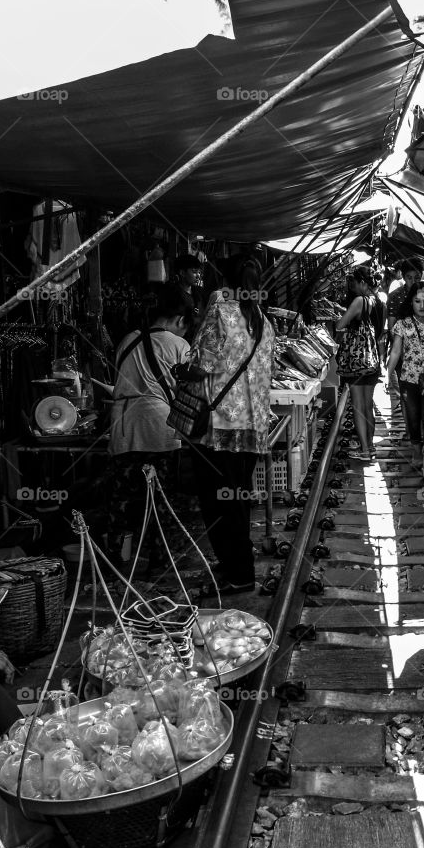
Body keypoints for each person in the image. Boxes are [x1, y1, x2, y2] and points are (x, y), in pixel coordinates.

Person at [187, 253, 274, 596]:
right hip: (252, 428)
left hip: (221, 426)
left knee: (219, 502)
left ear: (227, 283)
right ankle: (236, 567)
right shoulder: (265, 322)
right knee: (237, 499)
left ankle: (239, 573)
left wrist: (184, 370)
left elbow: (201, 362)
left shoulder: (222, 312)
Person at [107, 283, 193, 572]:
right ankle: (159, 563)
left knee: (122, 500)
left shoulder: (126, 340)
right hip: (160, 426)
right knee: (161, 500)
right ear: (180, 320)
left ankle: (118, 561)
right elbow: (188, 391)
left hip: (123, 425)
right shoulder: (179, 345)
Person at [386, 281, 424, 479]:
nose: (422, 306)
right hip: (408, 378)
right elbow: (395, 352)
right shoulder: (402, 325)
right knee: (413, 418)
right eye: (417, 301)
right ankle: (417, 453)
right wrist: (388, 376)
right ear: (411, 302)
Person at [336, 266, 385, 460]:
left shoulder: (359, 301)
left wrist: (345, 317)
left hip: (357, 361)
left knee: (357, 406)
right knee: (367, 405)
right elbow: (381, 333)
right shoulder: (381, 302)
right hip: (372, 361)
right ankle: (370, 446)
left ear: (363, 283)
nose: (353, 287)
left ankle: (364, 450)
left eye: (355, 283)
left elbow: (340, 325)